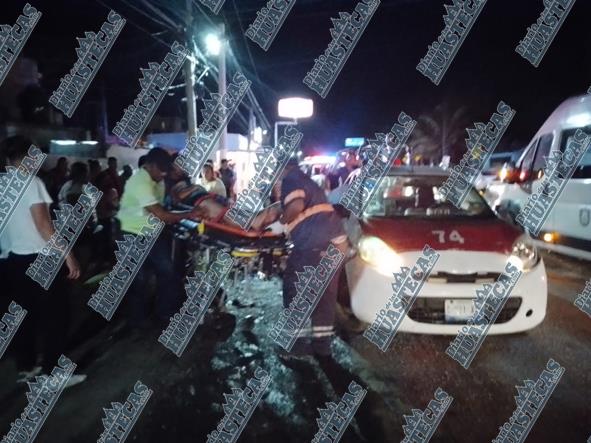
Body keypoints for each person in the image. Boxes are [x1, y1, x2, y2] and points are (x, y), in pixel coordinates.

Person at [0, 136, 85, 387]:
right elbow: (44, 225)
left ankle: (26, 367)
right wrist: (69, 255)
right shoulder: (31, 182)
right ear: (28, 157)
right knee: (56, 316)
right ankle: (52, 373)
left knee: (24, 315)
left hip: (11, 260)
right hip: (40, 257)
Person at [117, 148, 201, 329]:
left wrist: (190, 198)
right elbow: (162, 215)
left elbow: (170, 202)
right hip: (132, 234)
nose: (164, 174)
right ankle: (136, 321)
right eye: (161, 170)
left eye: (166, 170)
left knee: (167, 271)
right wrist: (191, 214)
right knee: (139, 279)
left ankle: (164, 312)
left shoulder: (159, 179)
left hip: (151, 233)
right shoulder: (139, 182)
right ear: (150, 165)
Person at [275, 158, 349, 357]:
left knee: (295, 289)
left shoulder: (291, 179)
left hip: (314, 246)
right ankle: (322, 347)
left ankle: (294, 345)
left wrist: (282, 222)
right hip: (337, 245)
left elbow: (295, 207)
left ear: (283, 169)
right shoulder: (309, 182)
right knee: (324, 297)